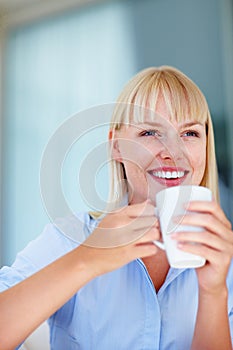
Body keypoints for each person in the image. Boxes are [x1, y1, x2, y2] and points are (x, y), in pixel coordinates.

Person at [0, 66, 233, 350]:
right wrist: (88, 258)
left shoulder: (225, 259)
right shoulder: (70, 238)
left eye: (190, 134)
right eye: (150, 132)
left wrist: (213, 292)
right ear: (116, 147)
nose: (173, 152)